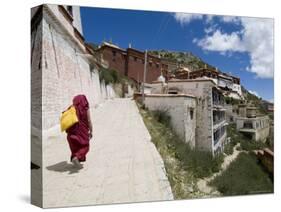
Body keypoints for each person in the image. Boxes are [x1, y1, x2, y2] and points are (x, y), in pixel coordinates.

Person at [66, 95, 93, 168]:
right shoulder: (85, 108)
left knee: (75, 147)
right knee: (85, 146)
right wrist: (91, 131)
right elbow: (89, 120)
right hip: (82, 132)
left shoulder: (71, 108)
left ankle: (76, 159)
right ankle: (76, 158)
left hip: (71, 133)